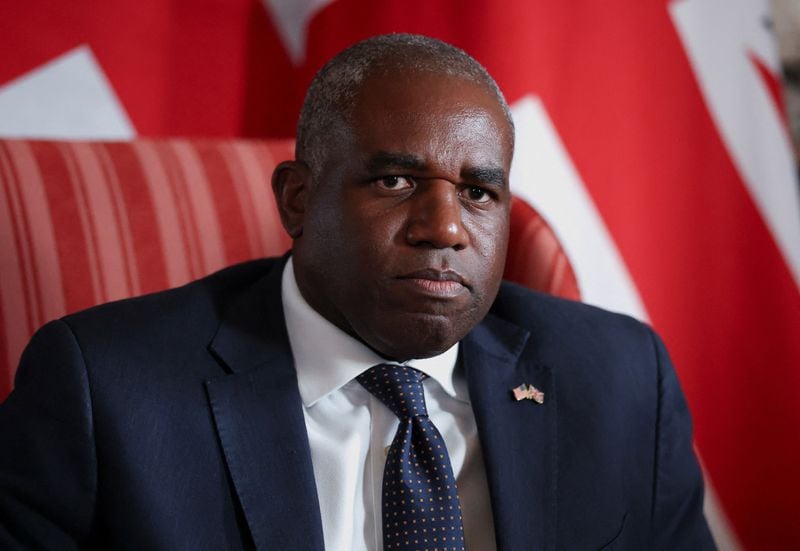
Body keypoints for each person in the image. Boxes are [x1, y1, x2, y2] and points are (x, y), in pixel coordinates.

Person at [0, 34, 714, 550]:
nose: (446, 228)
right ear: (298, 200)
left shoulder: (621, 380)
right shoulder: (103, 388)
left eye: (478, 192)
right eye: (395, 180)